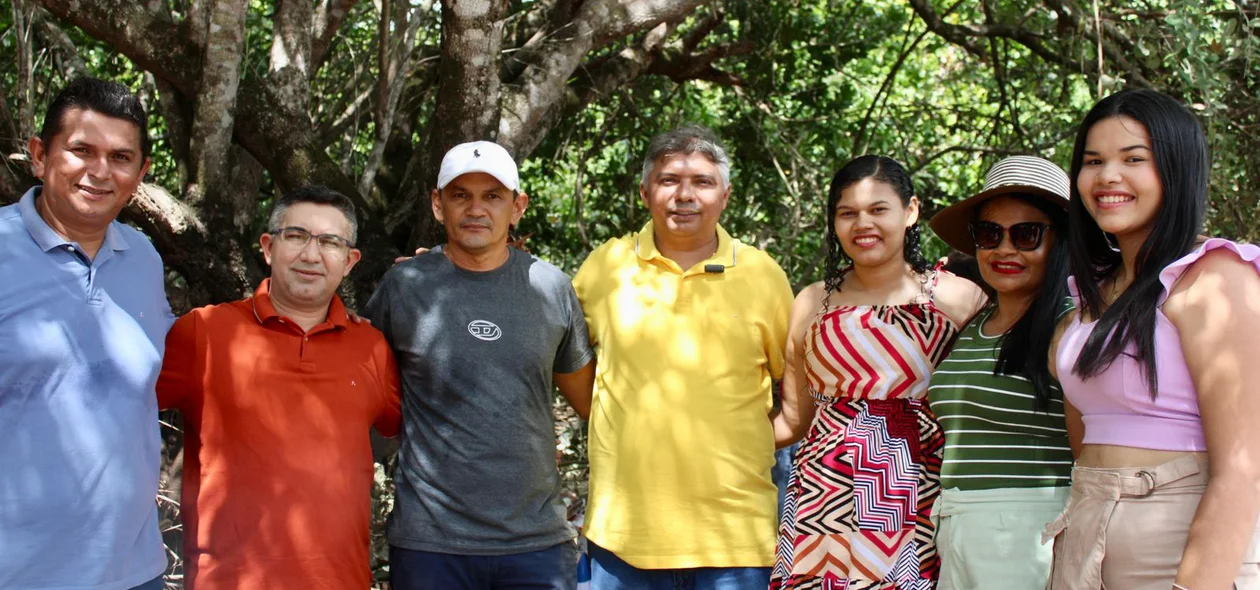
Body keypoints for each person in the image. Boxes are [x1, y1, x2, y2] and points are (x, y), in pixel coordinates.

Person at [1045, 88, 1260, 589]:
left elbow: (1244, 468)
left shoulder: (1215, 279)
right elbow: (1085, 445)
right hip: (1083, 544)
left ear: (1175, 169)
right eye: (1093, 161)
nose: (1108, 176)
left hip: (1181, 553)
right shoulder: (1090, 297)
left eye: (1133, 159)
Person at [363, 140, 595, 590]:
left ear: (517, 206)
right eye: (460, 195)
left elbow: (590, 404)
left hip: (536, 540)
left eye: (492, 196)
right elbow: (360, 386)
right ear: (437, 204)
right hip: (431, 542)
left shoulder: (551, 287)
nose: (475, 209)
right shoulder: (405, 285)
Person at [573, 125, 794, 589]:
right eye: (670, 180)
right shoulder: (606, 267)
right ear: (645, 191)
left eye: (702, 182)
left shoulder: (763, 276)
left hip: (736, 539)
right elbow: (558, 353)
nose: (684, 195)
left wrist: (741, 439)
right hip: (623, 535)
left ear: (726, 195)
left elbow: (797, 397)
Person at [155, 186, 401, 588]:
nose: (311, 254)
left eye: (330, 242)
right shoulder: (204, 333)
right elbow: (116, 413)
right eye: (296, 236)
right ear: (268, 247)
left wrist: (438, 278)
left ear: (350, 261)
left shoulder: (371, 348)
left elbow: (422, 428)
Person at [770, 155, 985, 589]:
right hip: (821, 497)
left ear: (911, 212)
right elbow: (794, 420)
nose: (862, 224)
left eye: (878, 210)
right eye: (847, 213)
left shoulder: (960, 299)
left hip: (922, 491)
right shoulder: (812, 302)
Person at [0, 76, 170, 590]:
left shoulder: (143, 255)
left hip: (134, 569)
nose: (99, 171)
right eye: (80, 150)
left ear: (140, 173)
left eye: (120, 158)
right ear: (38, 155)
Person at [925, 155, 1076, 589]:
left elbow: (1092, 457)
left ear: (1061, 241)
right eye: (990, 233)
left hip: (1029, 529)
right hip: (956, 523)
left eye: (1027, 234)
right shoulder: (976, 322)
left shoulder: (1071, 328)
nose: (1005, 249)